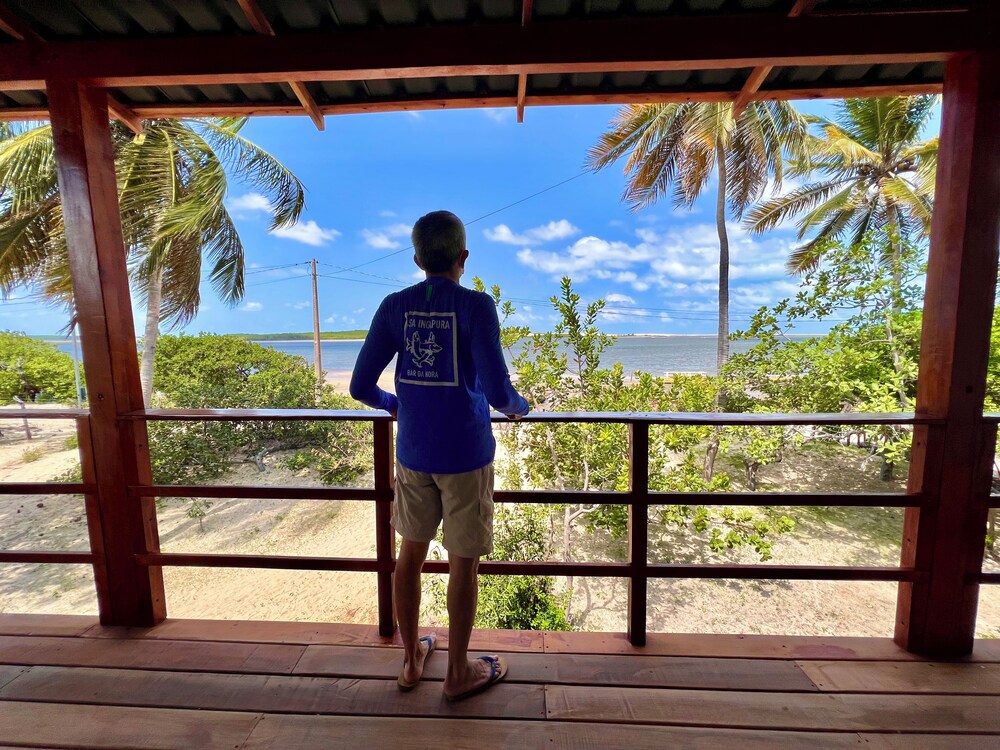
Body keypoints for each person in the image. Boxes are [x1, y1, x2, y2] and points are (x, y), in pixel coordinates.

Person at [350, 210, 530, 701]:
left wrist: (395, 404)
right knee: (462, 565)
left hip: (413, 454)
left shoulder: (395, 306)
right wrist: (522, 407)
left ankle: (411, 661)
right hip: (466, 456)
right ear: (462, 257)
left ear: (417, 260)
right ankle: (457, 673)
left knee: (409, 555)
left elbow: (360, 387)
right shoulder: (476, 306)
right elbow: (499, 393)